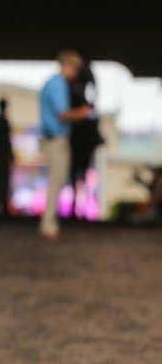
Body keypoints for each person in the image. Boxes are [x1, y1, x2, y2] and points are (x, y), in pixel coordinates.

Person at [39, 50, 93, 240]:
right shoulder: (58, 83)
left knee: (57, 181)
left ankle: (49, 221)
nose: (76, 74)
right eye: (76, 69)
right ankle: (49, 223)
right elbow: (63, 114)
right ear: (68, 66)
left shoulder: (51, 82)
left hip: (52, 138)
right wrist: (84, 112)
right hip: (56, 139)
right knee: (57, 181)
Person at [68, 60, 104, 217]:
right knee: (78, 173)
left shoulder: (81, 84)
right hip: (79, 133)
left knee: (79, 173)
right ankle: (77, 206)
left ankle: (79, 206)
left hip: (81, 132)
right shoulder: (75, 87)